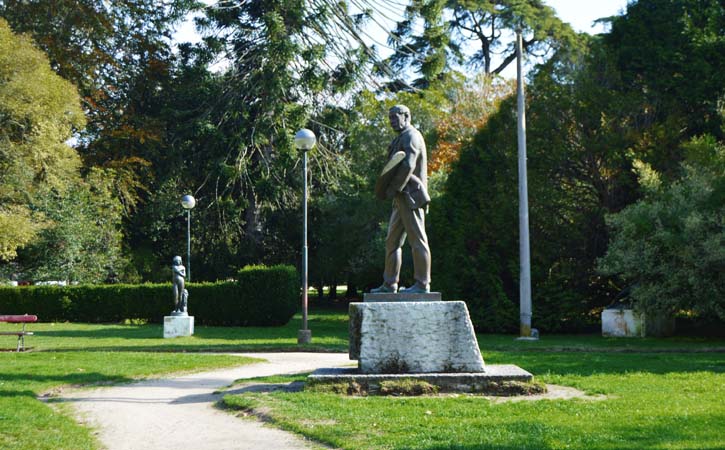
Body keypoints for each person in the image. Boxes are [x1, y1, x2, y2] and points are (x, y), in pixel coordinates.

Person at [371, 105, 431, 294]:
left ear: (407, 116)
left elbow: (407, 165)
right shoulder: (400, 137)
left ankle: (422, 284)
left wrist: (392, 188)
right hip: (400, 197)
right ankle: (390, 284)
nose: (391, 121)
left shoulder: (411, 136)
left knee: (418, 241)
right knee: (392, 242)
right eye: (389, 117)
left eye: (395, 117)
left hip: (411, 197)